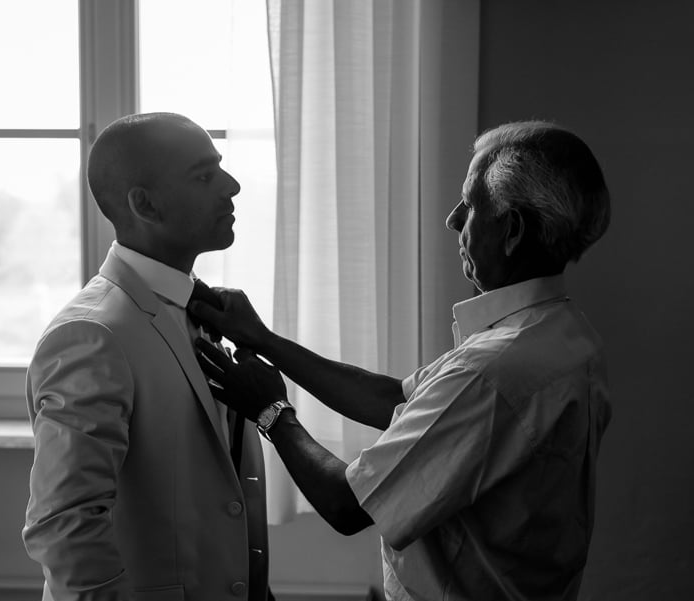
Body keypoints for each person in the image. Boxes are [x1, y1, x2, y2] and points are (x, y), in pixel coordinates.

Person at [190, 120, 612, 600]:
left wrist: (271, 410)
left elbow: (348, 506)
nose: (453, 220)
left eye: (472, 206)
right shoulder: (563, 334)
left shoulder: (492, 373)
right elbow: (395, 400)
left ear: (512, 230)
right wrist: (264, 340)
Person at [23, 112, 272, 601]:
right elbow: (65, 525)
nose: (233, 185)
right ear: (145, 205)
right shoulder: (90, 335)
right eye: (204, 176)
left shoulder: (198, 309)